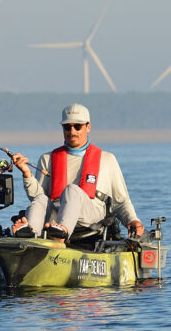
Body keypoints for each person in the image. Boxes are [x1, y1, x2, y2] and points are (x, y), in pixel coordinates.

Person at [10, 103, 144, 242]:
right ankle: (29, 236)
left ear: (88, 127)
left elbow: (121, 201)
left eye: (77, 126)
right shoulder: (47, 159)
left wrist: (132, 220)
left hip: (90, 215)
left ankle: (61, 234)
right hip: (55, 214)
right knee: (41, 199)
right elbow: (37, 197)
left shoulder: (107, 159)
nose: (72, 131)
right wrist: (27, 174)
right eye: (67, 127)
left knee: (72, 190)